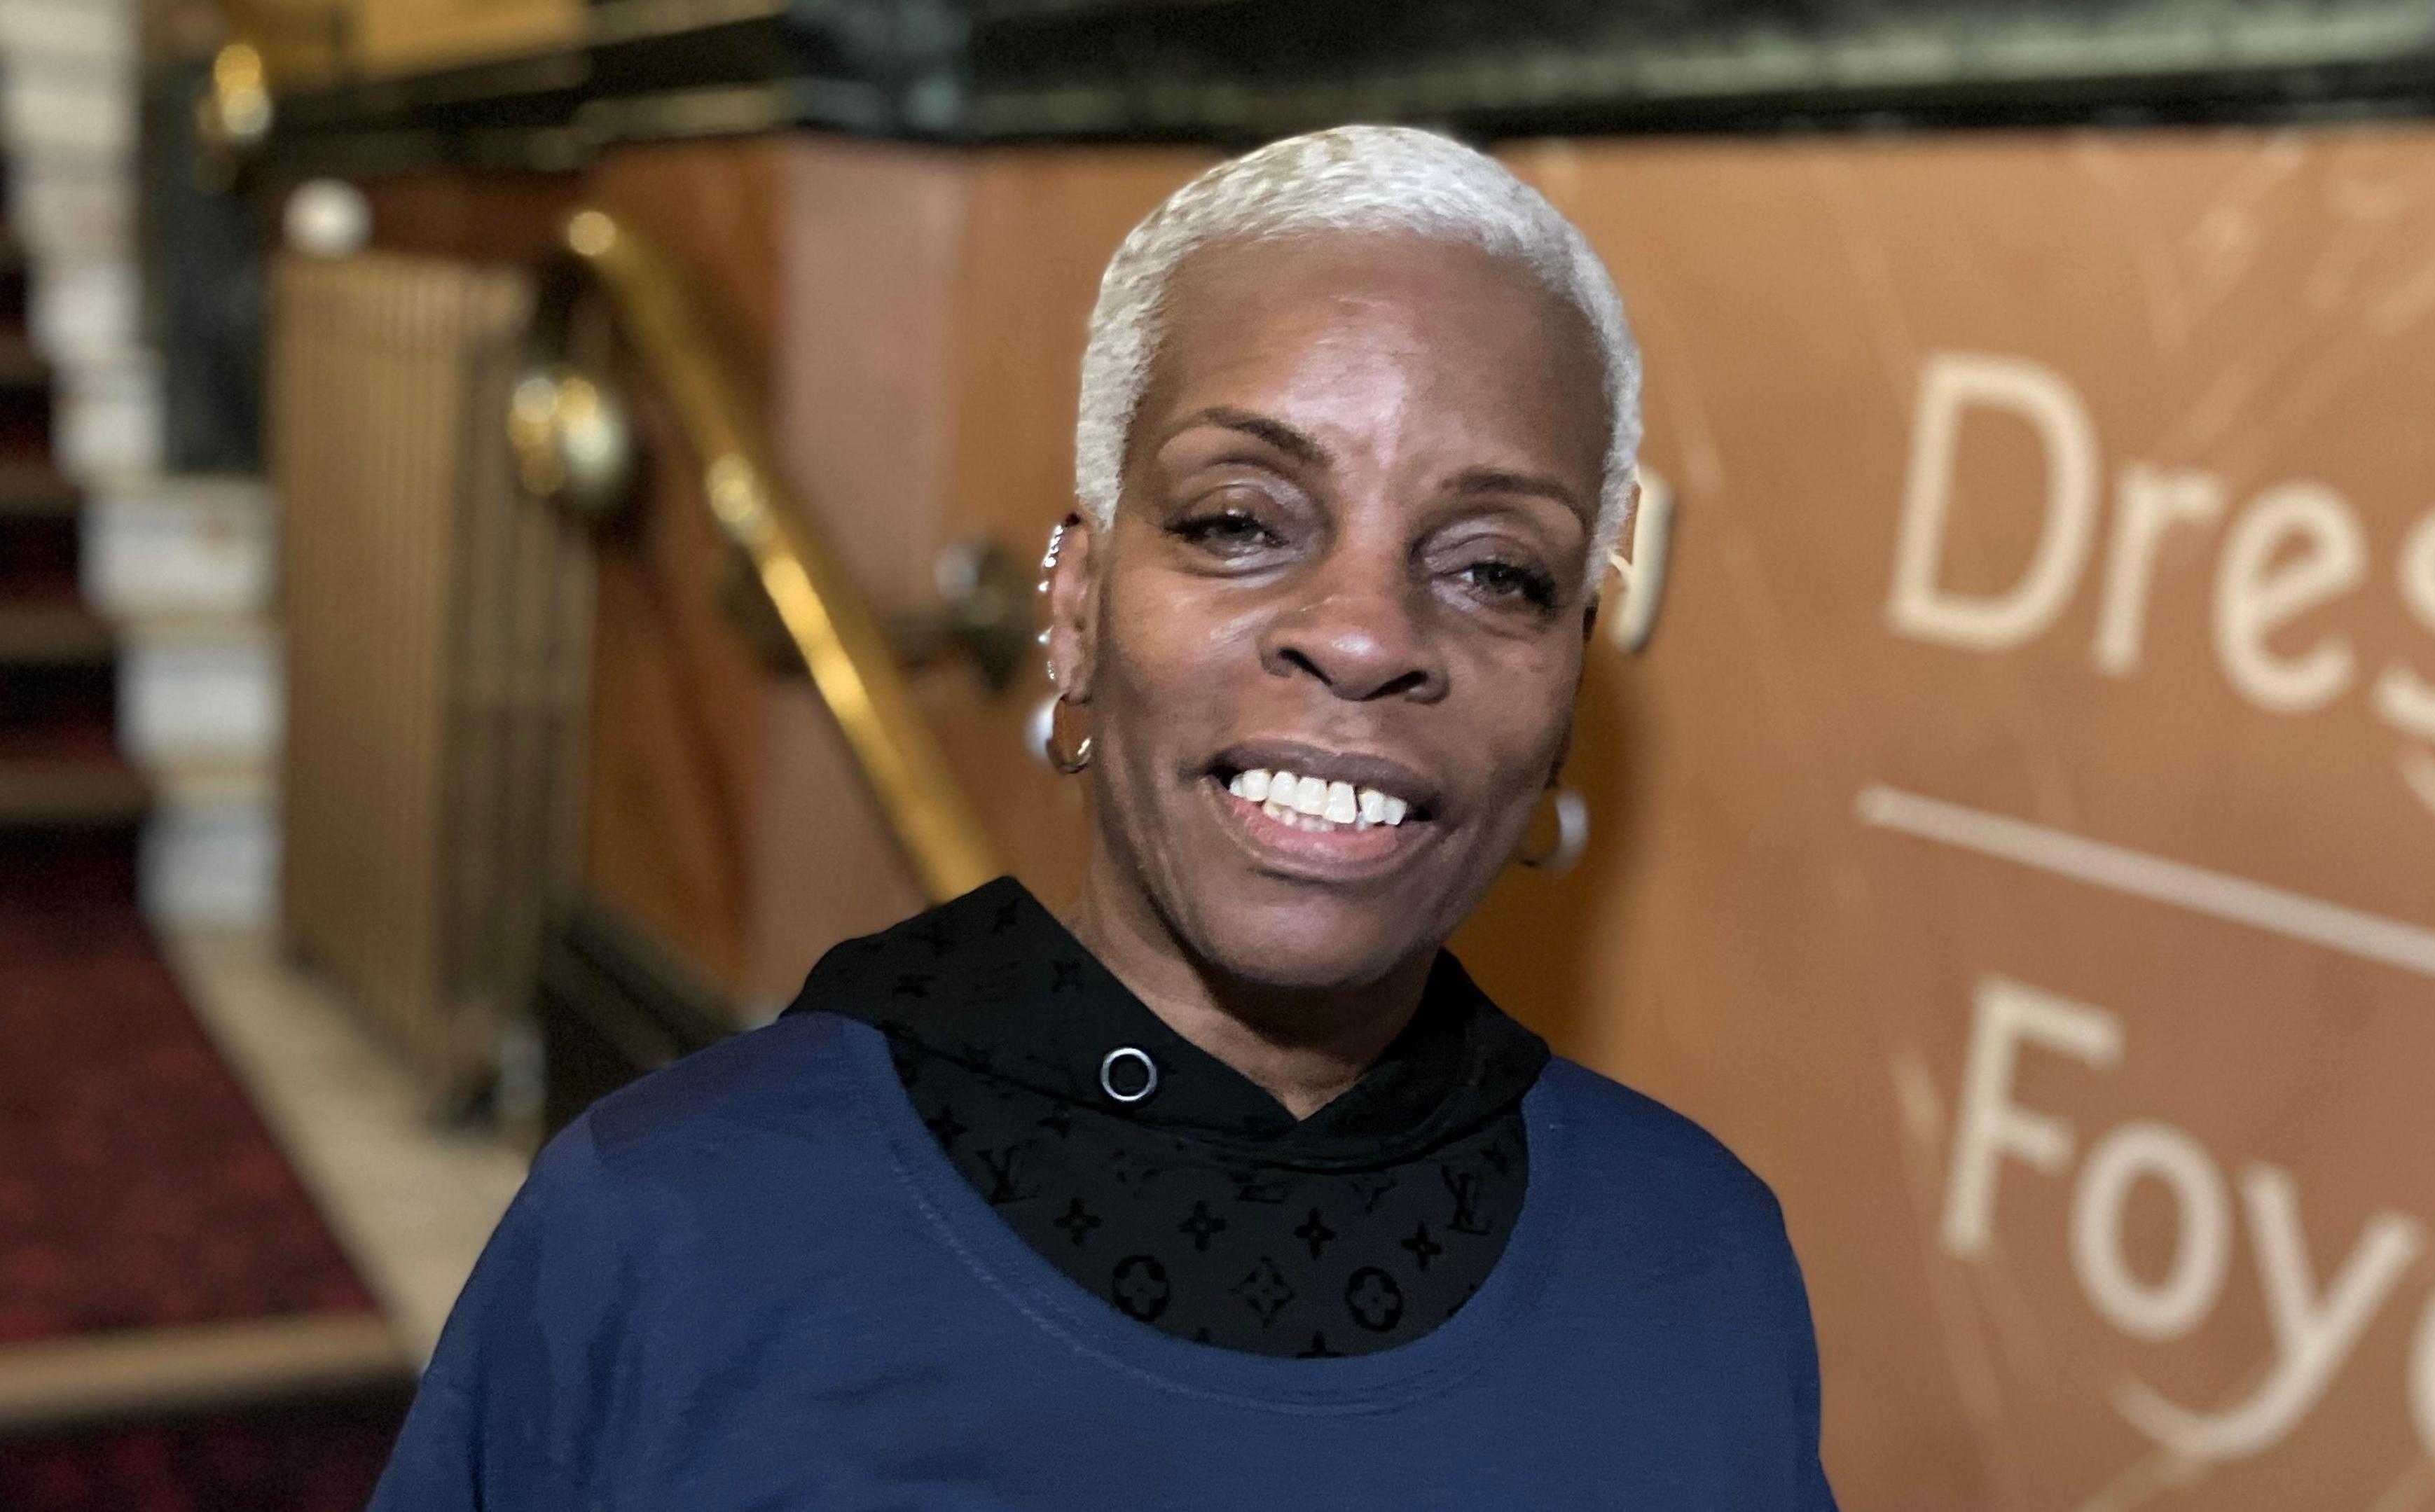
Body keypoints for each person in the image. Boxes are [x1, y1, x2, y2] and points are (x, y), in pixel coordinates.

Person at [371, 125, 1837, 1509]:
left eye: (1498, 570)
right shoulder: (674, 1227)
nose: (1362, 633)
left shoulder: (1696, 1264)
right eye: (1239, 522)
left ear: (1568, 687)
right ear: (1073, 614)